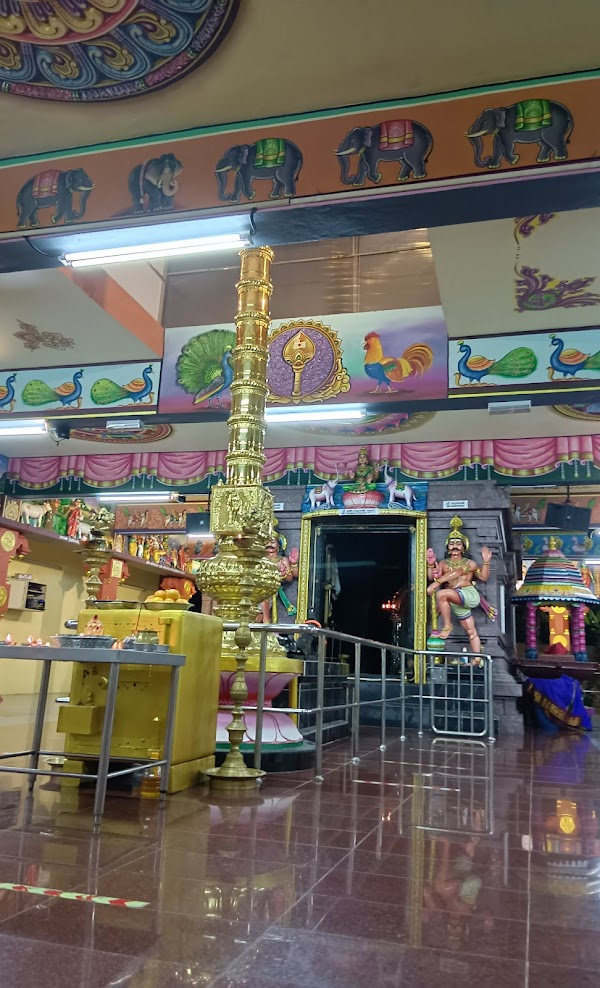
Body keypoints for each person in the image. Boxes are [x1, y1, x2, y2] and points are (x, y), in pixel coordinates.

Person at [427, 517, 493, 653]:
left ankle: (447, 625)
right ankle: (477, 658)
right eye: (452, 543)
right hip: (454, 599)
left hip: (468, 594)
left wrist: (486, 562)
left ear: (464, 547)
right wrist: (430, 565)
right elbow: (431, 577)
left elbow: (478, 576)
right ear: (447, 547)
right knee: (471, 631)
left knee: (441, 594)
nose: (455, 546)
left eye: (458, 543)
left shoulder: (469, 563)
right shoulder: (443, 563)